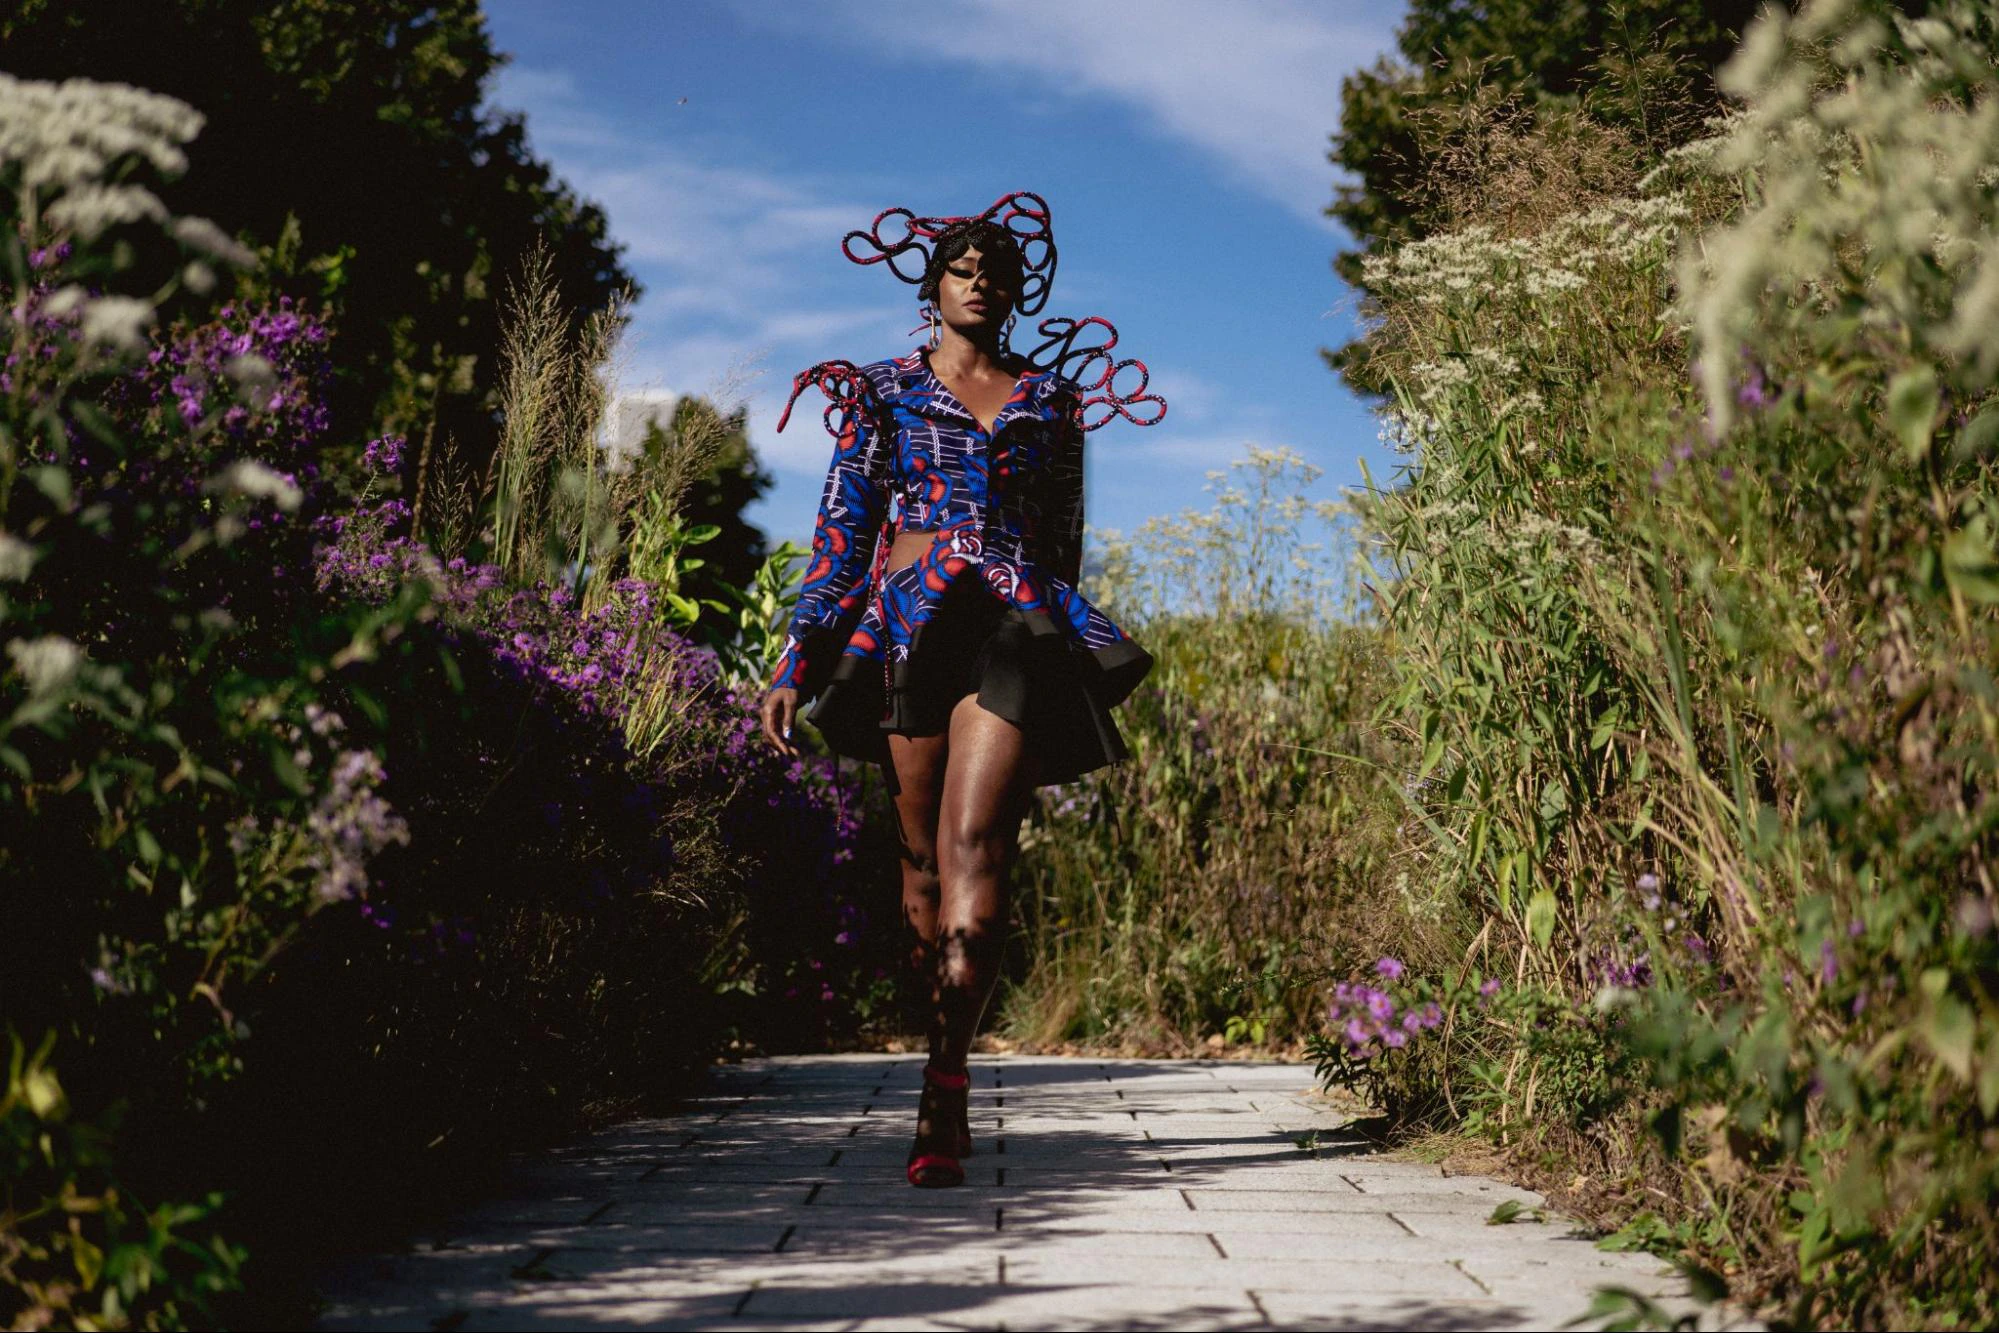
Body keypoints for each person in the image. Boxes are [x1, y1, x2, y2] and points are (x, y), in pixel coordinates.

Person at [758, 193, 1163, 1188]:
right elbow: (840, 535)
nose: (981, 279)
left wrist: (1062, 631)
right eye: (963, 266)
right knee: (919, 878)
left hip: (1012, 627)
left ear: (1019, 290)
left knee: (977, 841)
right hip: (906, 626)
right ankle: (933, 1045)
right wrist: (795, 660)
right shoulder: (880, 392)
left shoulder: (1052, 404)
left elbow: (1061, 540)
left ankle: (946, 1080)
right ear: (933, 284)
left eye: (999, 269)